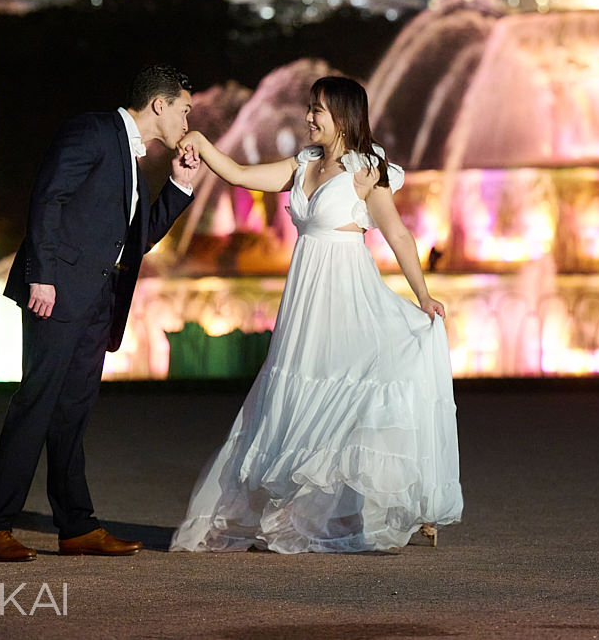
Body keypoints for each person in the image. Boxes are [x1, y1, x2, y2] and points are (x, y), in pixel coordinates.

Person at [170, 75, 462, 554]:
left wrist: (423, 295)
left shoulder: (368, 169)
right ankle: (302, 510)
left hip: (350, 297)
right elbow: (241, 174)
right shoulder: (302, 165)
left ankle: (405, 504)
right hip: (306, 302)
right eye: (310, 108)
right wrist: (202, 141)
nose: (308, 117)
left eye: (318, 110)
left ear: (344, 116)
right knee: (302, 394)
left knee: (368, 389)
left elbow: (399, 236)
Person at [0, 65, 201, 561]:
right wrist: (42, 274)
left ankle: (76, 527)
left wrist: (180, 188)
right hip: (56, 291)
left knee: (72, 413)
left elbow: (138, 240)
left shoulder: (136, 160)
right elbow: (49, 197)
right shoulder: (93, 130)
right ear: (159, 105)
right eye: (185, 109)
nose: (188, 120)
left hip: (98, 299)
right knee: (37, 404)